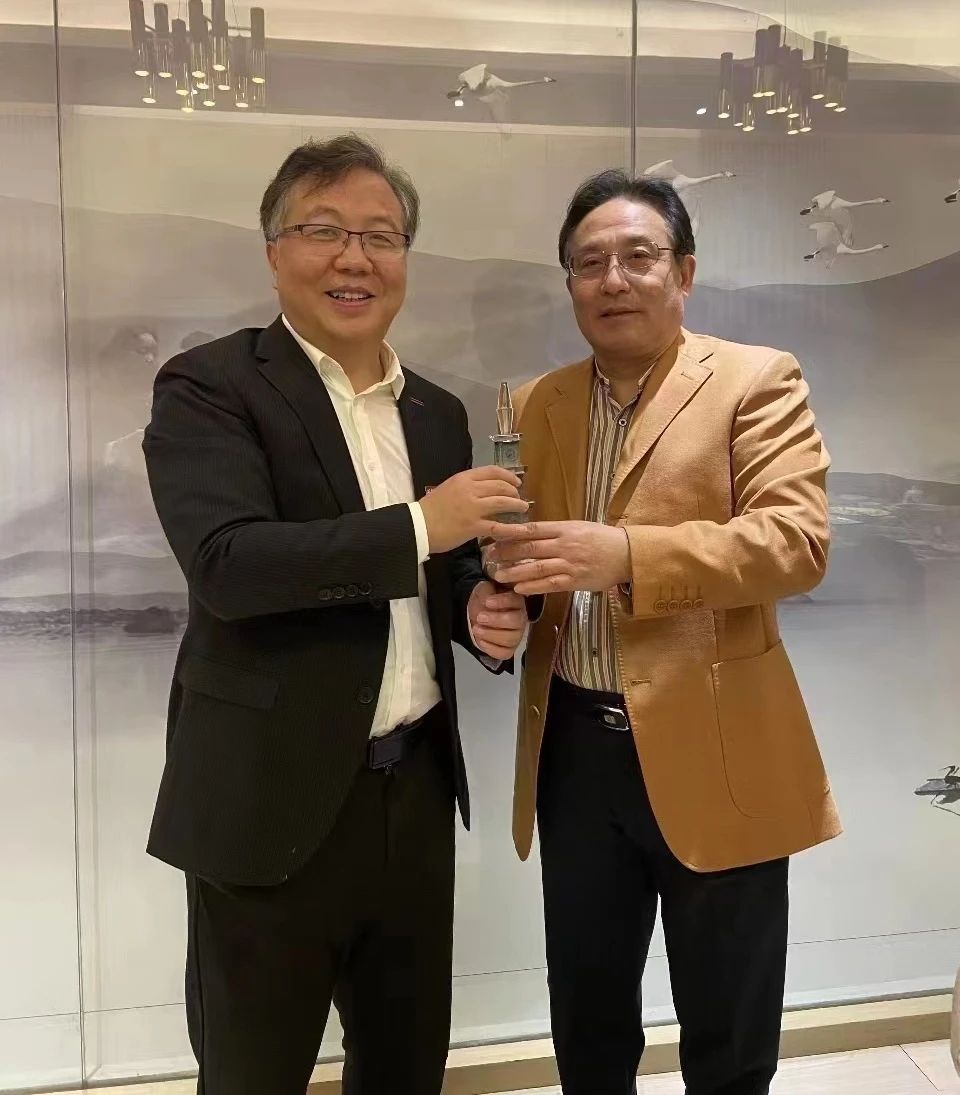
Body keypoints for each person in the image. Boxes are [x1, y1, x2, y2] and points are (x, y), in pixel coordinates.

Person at [142, 134, 528, 1095]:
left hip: (412, 793)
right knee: (252, 1072)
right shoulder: (209, 386)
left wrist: (475, 610)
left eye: (381, 236)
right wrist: (425, 524)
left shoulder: (434, 411)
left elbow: (437, 569)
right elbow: (228, 565)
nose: (355, 258)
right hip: (263, 797)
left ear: (405, 259)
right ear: (275, 250)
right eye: (324, 230)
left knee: (406, 1066)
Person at [487, 169, 841, 1095]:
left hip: (720, 740)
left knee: (728, 1029)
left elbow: (796, 542)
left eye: (638, 256)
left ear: (683, 271)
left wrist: (628, 556)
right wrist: (496, 602)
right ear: (570, 283)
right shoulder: (536, 403)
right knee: (588, 1017)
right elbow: (523, 554)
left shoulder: (756, 379)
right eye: (589, 262)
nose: (613, 279)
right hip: (574, 751)